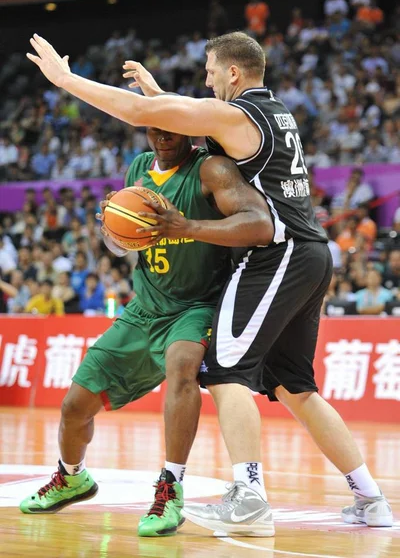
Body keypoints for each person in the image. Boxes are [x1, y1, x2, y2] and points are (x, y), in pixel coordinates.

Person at [27, 32, 393, 534]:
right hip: (310, 254)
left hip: (277, 254)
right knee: (294, 386)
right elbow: (170, 118)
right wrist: (162, 99)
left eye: (210, 71)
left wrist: (66, 80)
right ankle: (371, 498)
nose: (207, 80)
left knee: (223, 370)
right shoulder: (272, 112)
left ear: (233, 73)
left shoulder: (236, 115)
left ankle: (249, 496)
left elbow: (142, 115)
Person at [19, 125, 274, 539]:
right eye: (153, 128)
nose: (161, 136)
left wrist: (186, 225)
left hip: (195, 306)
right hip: (143, 309)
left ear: (187, 127)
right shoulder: (138, 168)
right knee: (73, 407)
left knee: (183, 365)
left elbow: (259, 223)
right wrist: (113, 227)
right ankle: (71, 477)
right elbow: (122, 247)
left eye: (170, 128)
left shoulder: (210, 169)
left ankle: (170, 488)